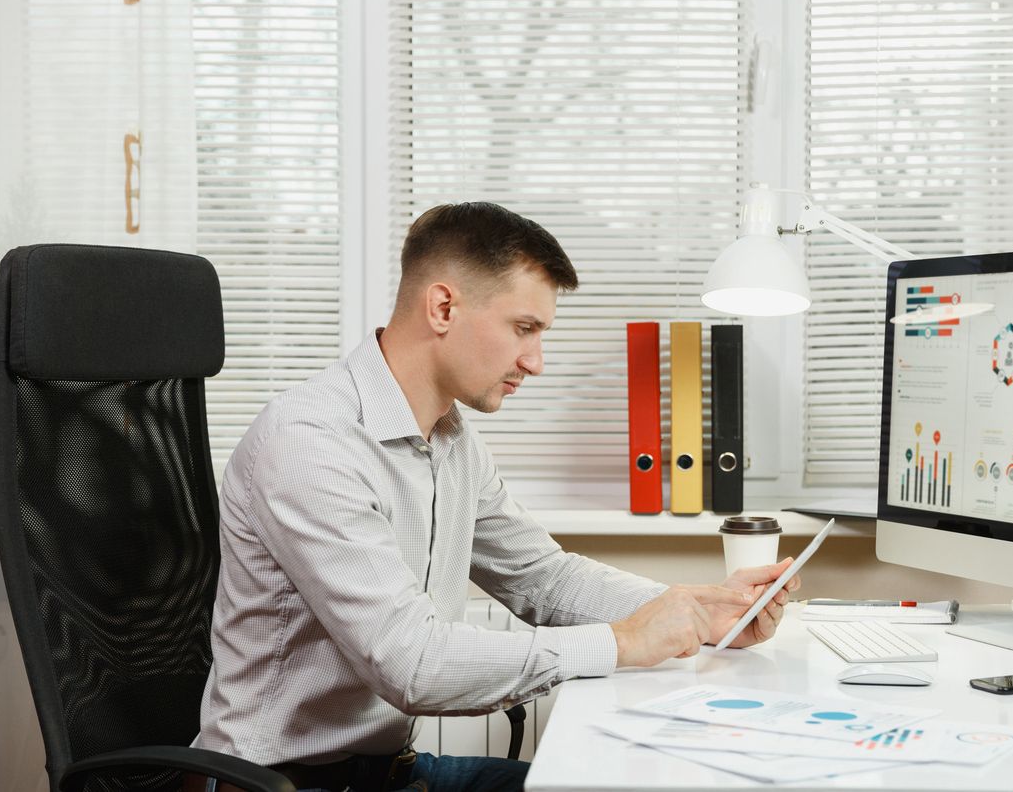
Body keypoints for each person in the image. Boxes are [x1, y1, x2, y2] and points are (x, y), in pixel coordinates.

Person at [195, 202, 800, 792]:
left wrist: (699, 610)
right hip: (278, 783)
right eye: (524, 328)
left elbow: (543, 578)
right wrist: (622, 642)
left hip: (391, 773)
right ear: (443, 307)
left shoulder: (452, 441)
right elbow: (412, 665)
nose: (535, 362)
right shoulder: (311, 441)